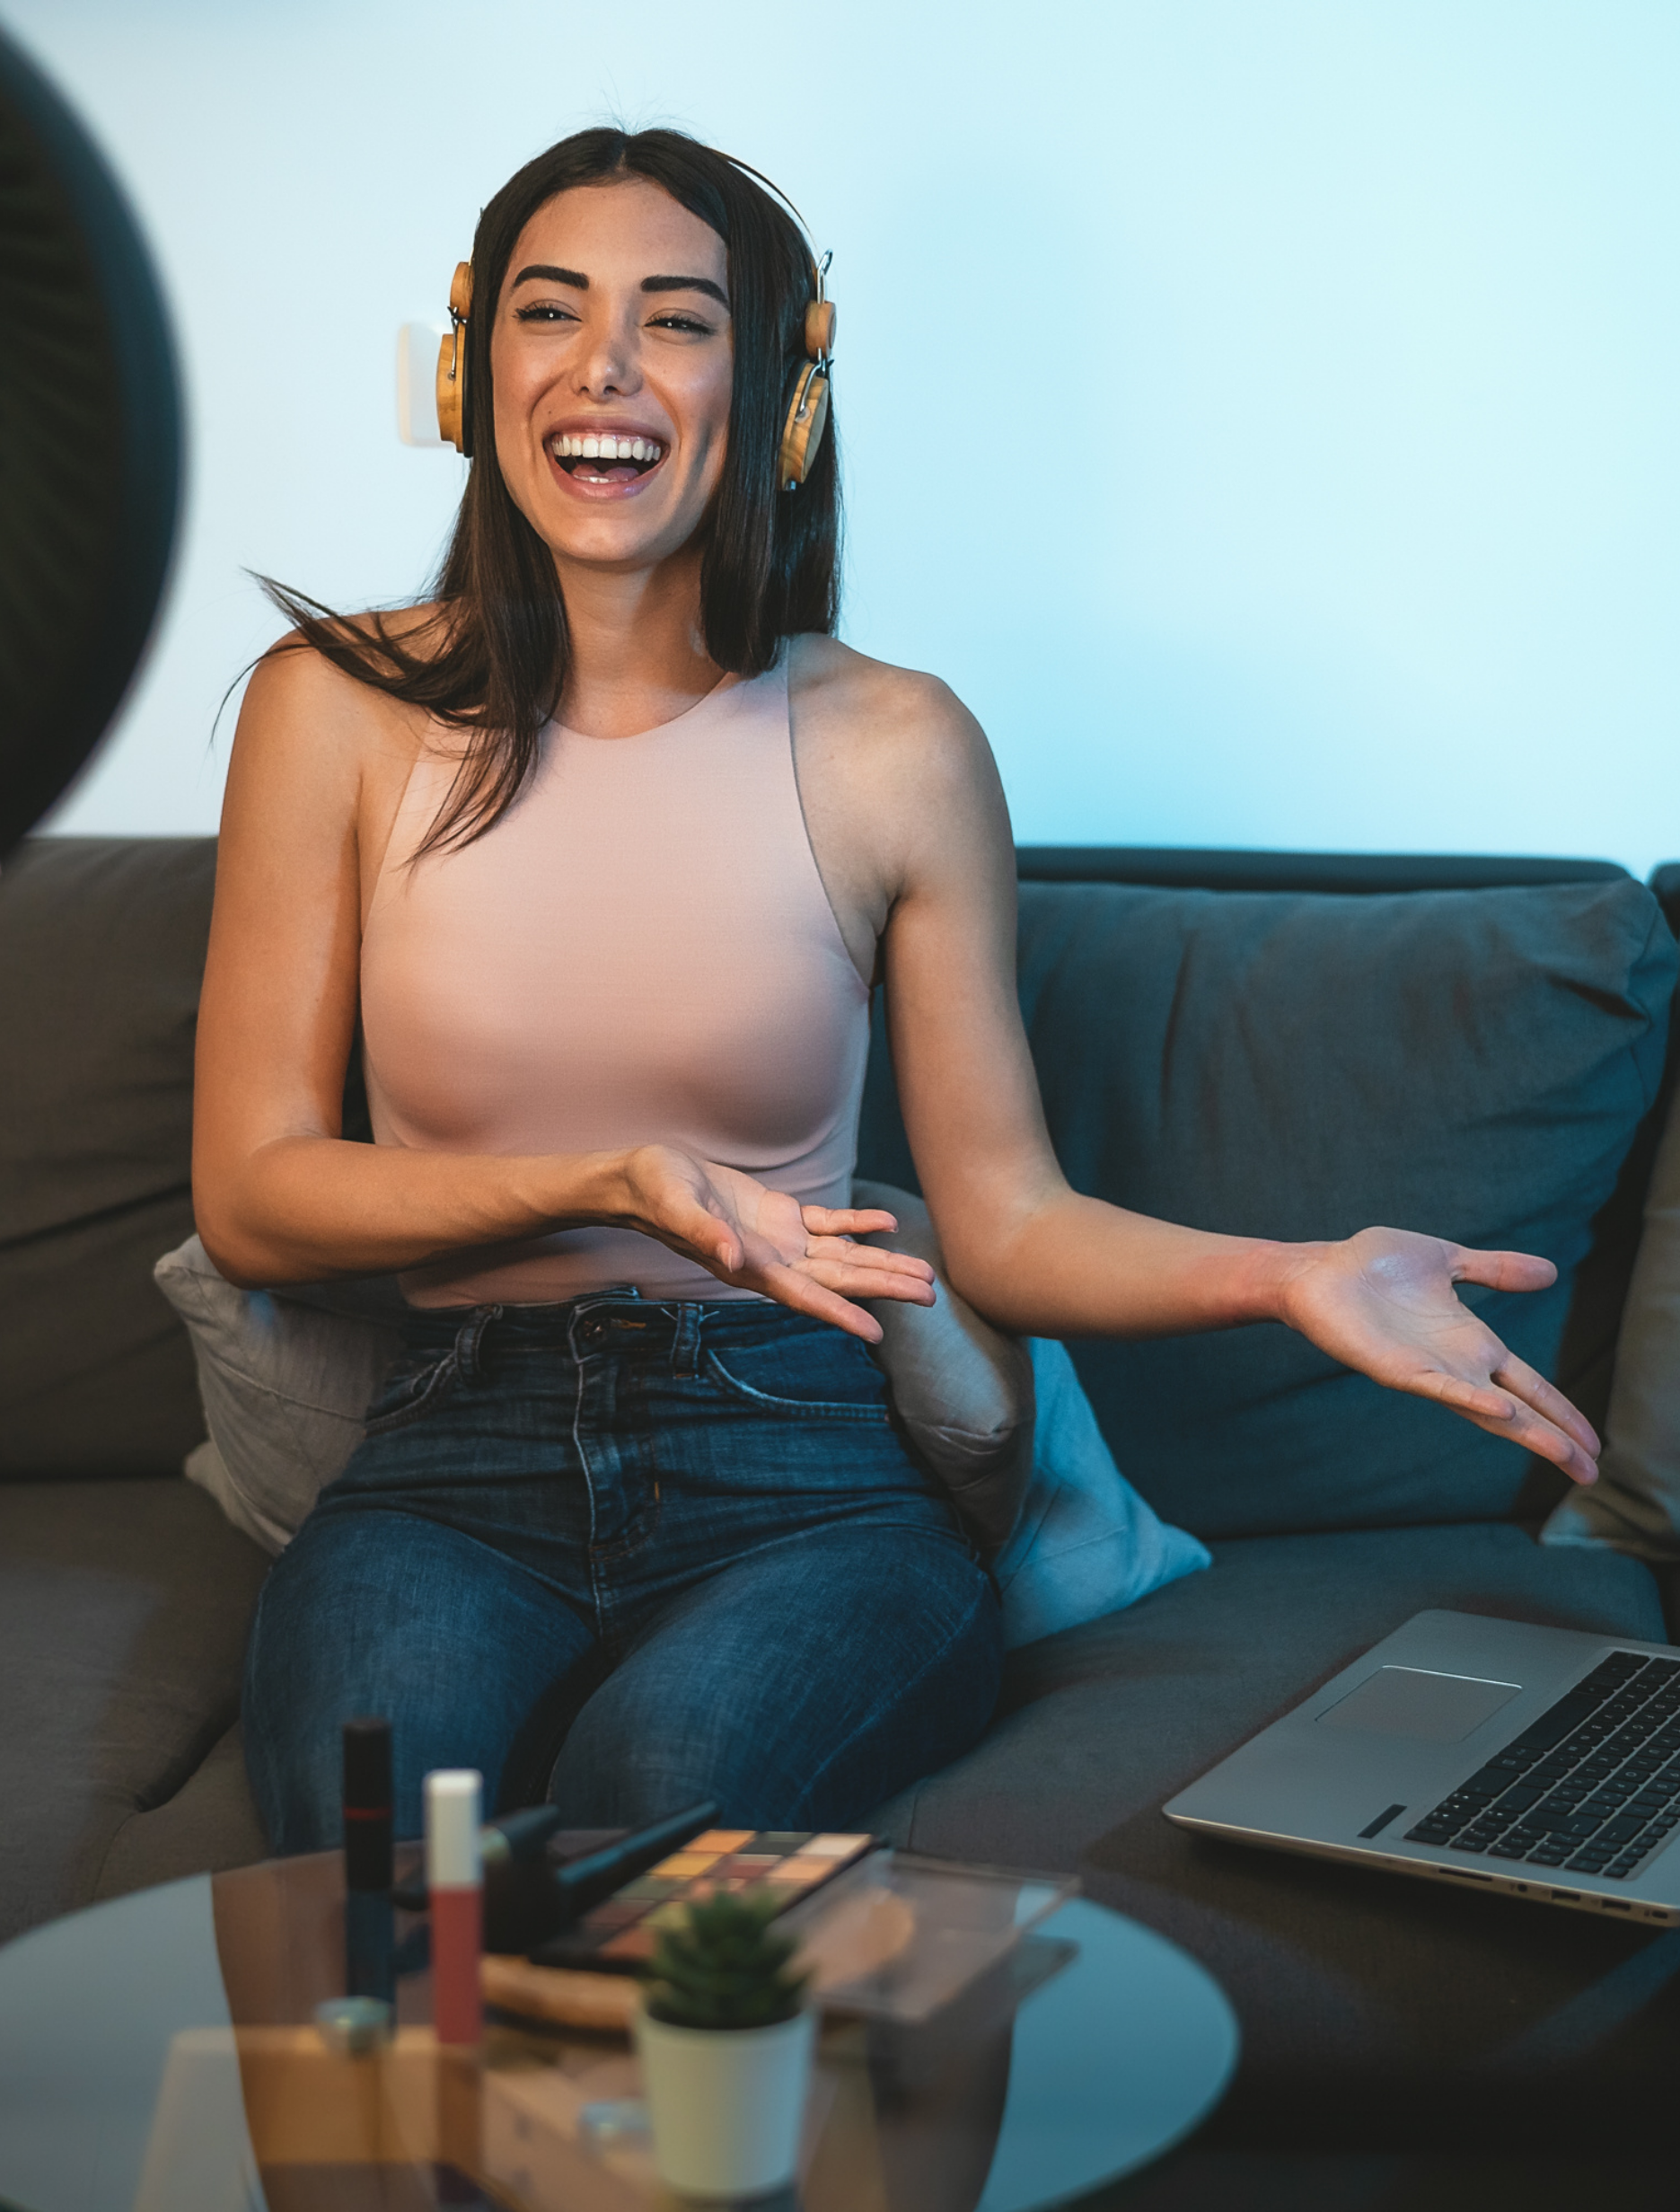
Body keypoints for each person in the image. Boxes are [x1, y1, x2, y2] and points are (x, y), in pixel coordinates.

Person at [195, 127, 1601, 1849]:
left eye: (679, 320)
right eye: (549, 312)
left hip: (800, 1456)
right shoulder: (330, 709)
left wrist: (1296, 1274)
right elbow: (256, 1200)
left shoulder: (897, 745)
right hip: (450, 1450)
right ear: (469, 368)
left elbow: (1001, 1220)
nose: (604, 368)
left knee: (674, 1823)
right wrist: (610, 1178)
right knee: (372, 1854)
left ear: (780, 392)